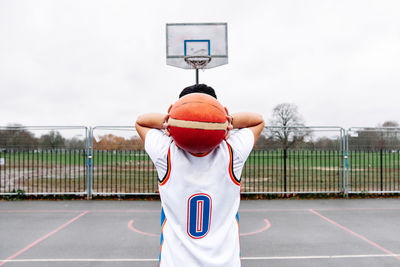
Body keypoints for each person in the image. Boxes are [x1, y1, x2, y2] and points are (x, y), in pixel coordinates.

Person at [135, 84, 264, 267]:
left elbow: (141, 121)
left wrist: (170, 121)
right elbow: (258, 120)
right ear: (220, 112)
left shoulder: (165, 153)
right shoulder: (233, 152)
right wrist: (227, 121)